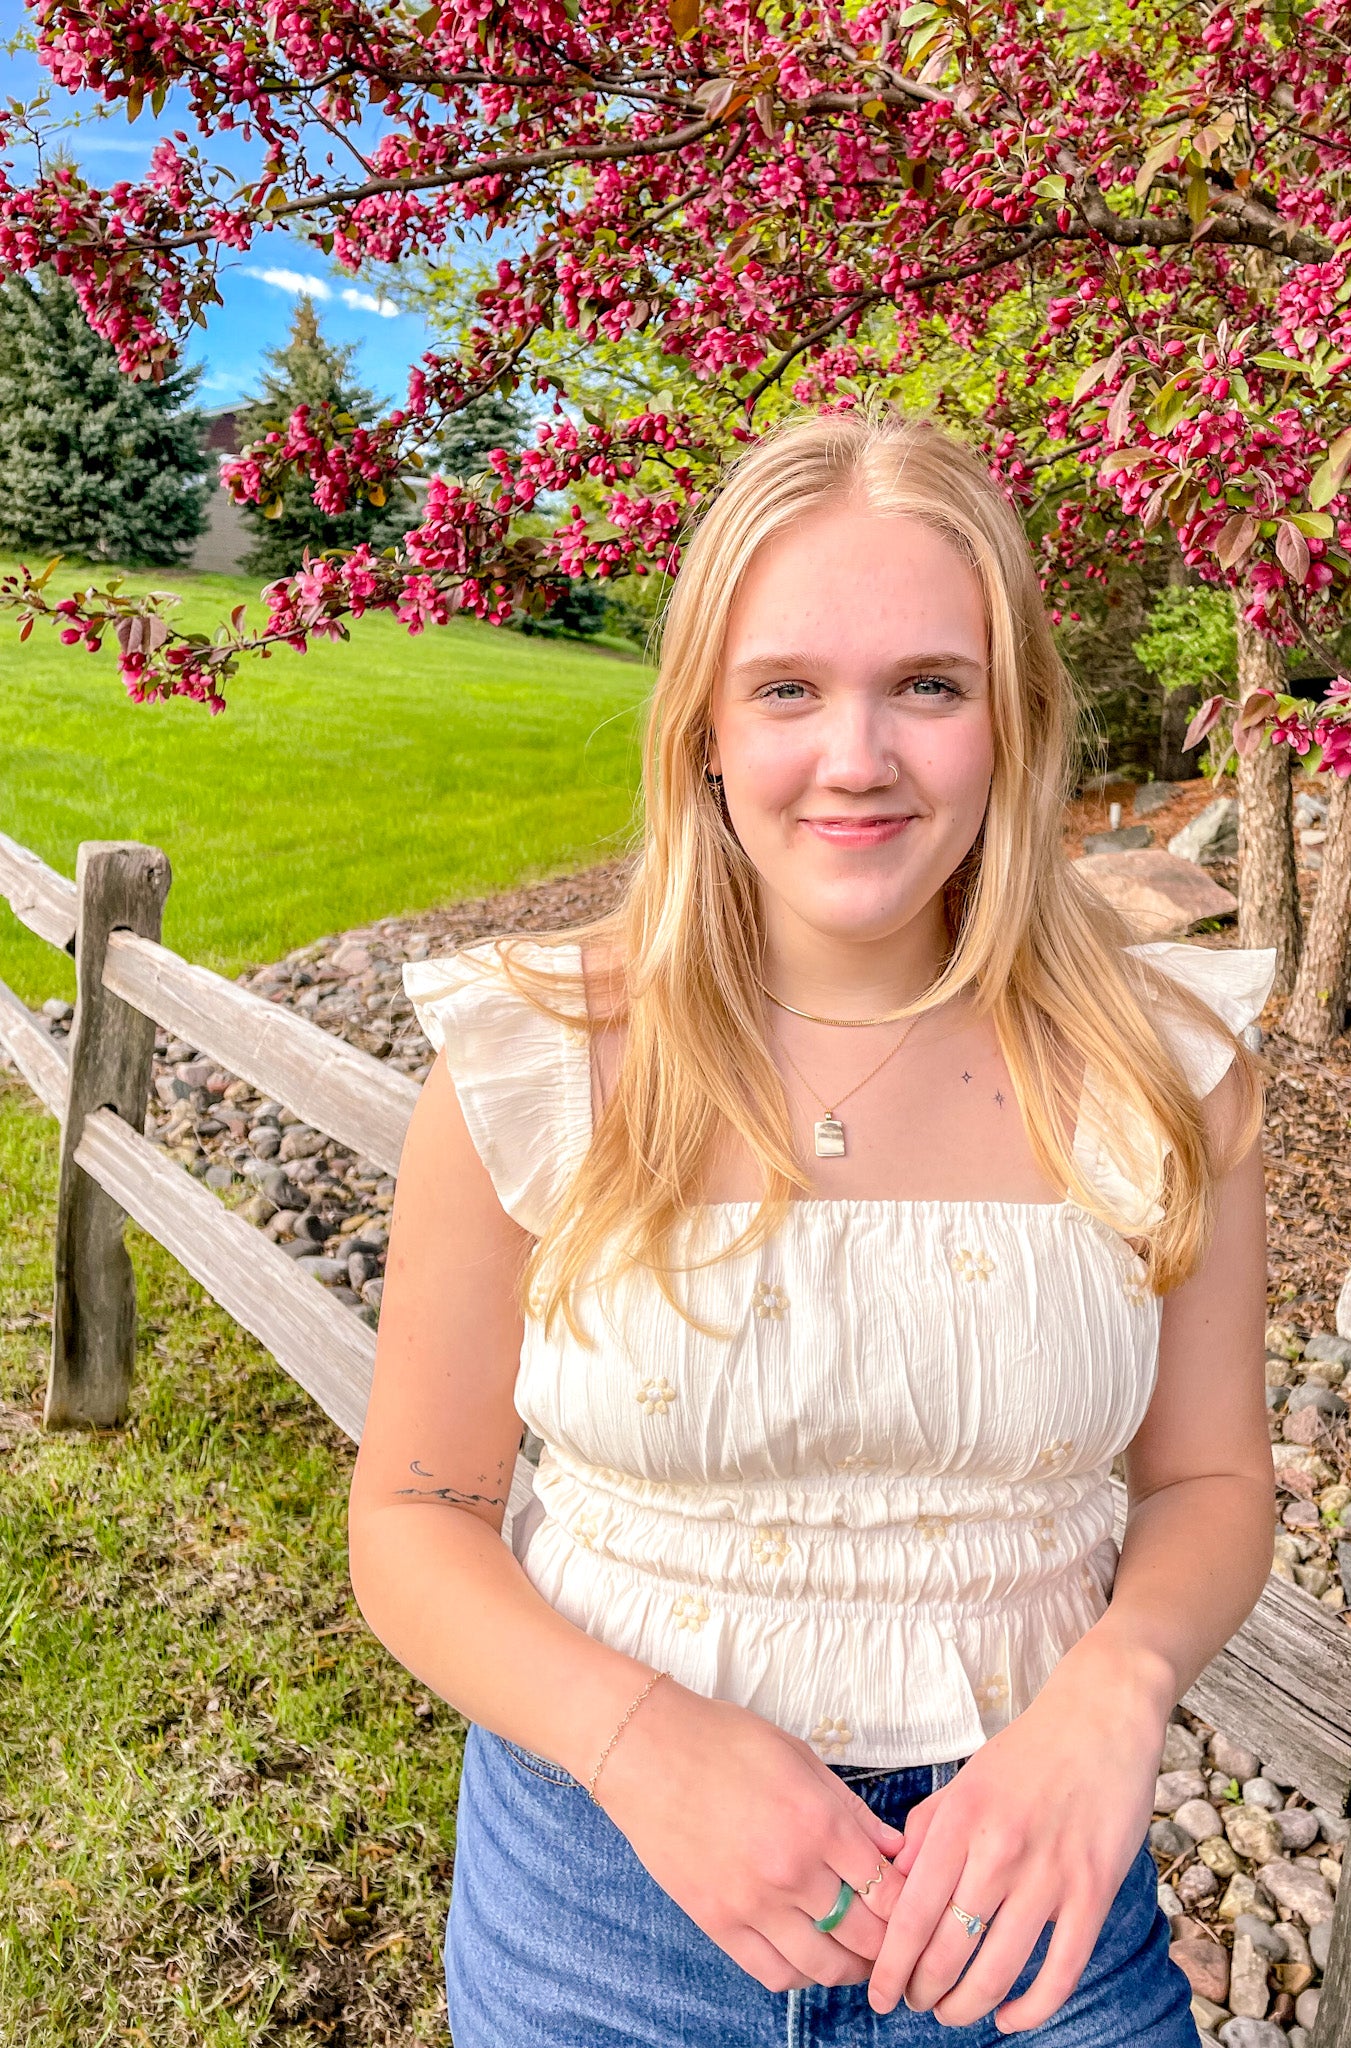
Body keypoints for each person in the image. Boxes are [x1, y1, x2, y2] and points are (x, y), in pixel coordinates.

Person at [348, 401, 1277, 2046]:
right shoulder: (540, 1061)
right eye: (787, 688)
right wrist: (638, 1742)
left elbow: (1208, 1481)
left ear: (1012, 722)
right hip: (603, 1903)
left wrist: (1112, 1699)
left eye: (928, 685)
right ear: (704, 725)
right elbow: (416, 1511)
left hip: (1024, 1906)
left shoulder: (1163, 1067)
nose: (857, 757)